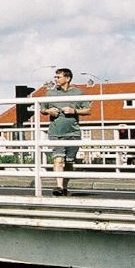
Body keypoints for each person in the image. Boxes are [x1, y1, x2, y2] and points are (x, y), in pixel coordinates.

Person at [44, 66, 87, 196]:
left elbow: (88, 110)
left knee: (68, 161)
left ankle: (64, 187)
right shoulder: (50, 93)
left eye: (58, 77)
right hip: (55, 132)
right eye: (55, 77)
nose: (56, 79)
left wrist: (74, 111)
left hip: (73, 132)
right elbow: (42, 109)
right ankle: (58, 186)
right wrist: (48, 111)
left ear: (67, 78)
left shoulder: (78, 93)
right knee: (58, 159)